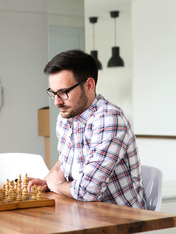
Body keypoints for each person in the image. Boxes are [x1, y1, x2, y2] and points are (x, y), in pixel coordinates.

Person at [29, 49, 146, 209]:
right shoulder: (66, 117)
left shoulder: (108, 118)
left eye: (63, 92)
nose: (57, 102)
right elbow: (65, 159)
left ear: (89, 86)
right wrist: (46, 181)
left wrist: (56, 186)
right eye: (53, 93)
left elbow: (87, 191)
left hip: (122, 222)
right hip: (81, 212)